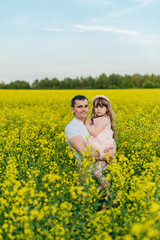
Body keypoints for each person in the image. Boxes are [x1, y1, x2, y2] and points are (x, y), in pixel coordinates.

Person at [85, 95, 116, 186]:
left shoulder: (105, 119)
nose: (98, 109)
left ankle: (109, 189)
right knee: (96, 173)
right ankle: (105, 186)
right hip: (97, 146)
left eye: (101, 107)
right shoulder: (95, 118)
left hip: (103, 147)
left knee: (96, 172)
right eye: (96, 107)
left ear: (107, 109)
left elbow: (94, 132)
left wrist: (86, 124)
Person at [65, 95, 90, 164]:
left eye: (86, 106)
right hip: (89, 171)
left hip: (108, 168)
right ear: (73, 109)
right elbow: (84, 151)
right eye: (80, 107)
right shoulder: (71, 127)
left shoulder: (92, 123)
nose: (84, 109)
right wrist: (106, 155)